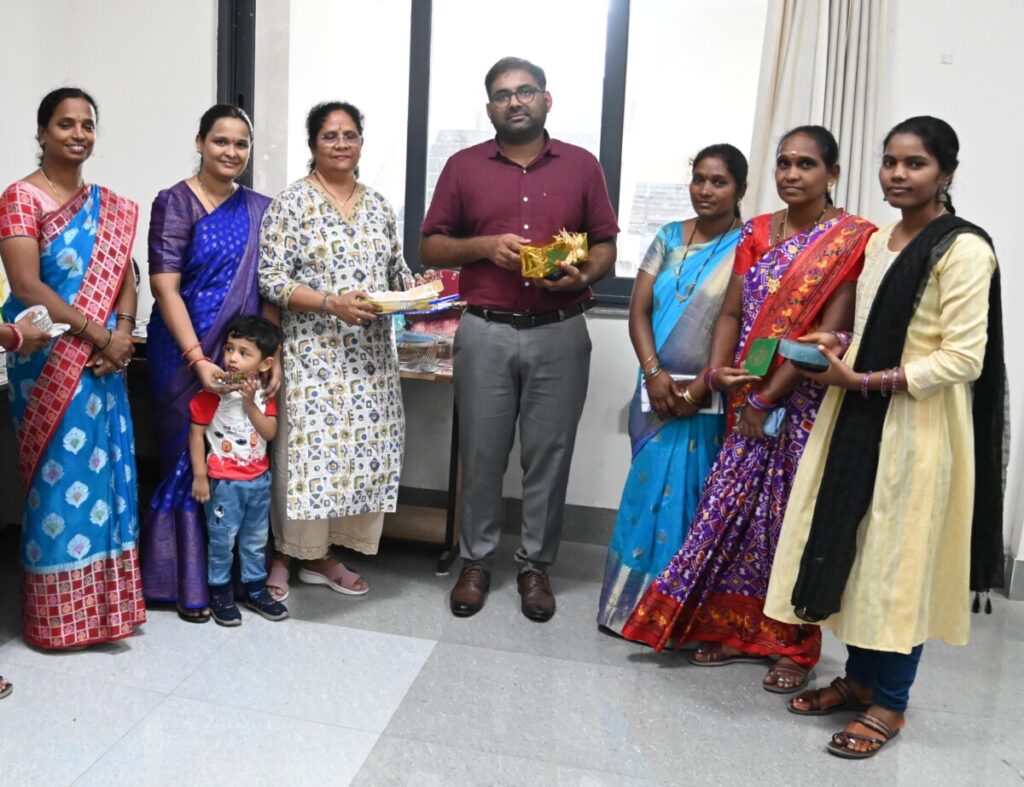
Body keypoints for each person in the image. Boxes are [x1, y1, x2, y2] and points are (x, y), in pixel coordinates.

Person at [764, 117, 1005, 759]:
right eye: (890, 161)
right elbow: (875, 327)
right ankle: (859, 680)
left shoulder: (963, 250)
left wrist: (864, 379)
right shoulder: (882, 240)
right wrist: (836, 341)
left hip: (915, 427)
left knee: (898, 563)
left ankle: (890, 704)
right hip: (859, 415)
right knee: (857, 549)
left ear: (946, 173)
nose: (898, 174)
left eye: (915, 164)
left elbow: (964, 359)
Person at [621, 126, 875, 691]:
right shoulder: (758, 231)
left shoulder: (850, 239)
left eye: (806, 164)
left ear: (831, 174)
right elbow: (732, 313)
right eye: (784, 162)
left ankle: (794, 647)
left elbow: (829, 336)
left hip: (803, 402)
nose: (792, 174)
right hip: (744, 396)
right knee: (731, 515)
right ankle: (731, 630)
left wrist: (766, 397)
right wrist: (718, 377)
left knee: (787, 521)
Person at [421, 56, 620, 622]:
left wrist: (582, 275)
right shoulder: (462, 166)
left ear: (546, 100)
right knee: (482, 454)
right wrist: (484, 247)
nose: (515, 102)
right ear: (489, 108)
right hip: (485, 330)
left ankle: (536, 566)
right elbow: (430, 245)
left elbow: (604, 244)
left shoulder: (582, 166)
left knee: (549, 457)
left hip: (560, 329)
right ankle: (476, 561)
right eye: (503, 95)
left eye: (526, 91)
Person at [0, 87, 145, 649]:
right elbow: (26, 285)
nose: (78, 134)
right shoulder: (20, 199)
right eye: (65, 124)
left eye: (87, 124)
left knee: (110, 478)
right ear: (42, 133)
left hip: (105, 364)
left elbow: (126, 273)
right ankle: (58, 620)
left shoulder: (107, 205)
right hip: (49, 360)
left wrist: (122, 334)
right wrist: (98, 334)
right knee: (57, 485)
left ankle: (107, 612)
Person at [259, 101, 412, 598]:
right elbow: (271, 279)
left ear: (361, 143)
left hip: (371, 360)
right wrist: (330, 303)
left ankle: (322, 557)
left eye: (350, 135)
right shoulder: (291, 203)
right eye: (330, 135)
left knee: (357, 457)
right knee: (305, 460)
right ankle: (285, 554)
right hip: (313, 356)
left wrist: (418, 288)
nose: (341, 143)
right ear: (313, 145)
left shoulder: (380, 207)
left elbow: (395, 274)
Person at [597, 144, 747, 635]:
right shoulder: (667, 236)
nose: (705, 189)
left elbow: (738, 320)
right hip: (655, 390)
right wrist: (653, 372)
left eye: (719, 181)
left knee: (694, 498)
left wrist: (701, 386)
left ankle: (677, 619)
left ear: (740, 189)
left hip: (710, 397)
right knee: (645, 493)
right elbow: (638, 309)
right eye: (699, 179)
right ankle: (626, 610)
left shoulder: (748, 246)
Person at [142, 105, 277, 622]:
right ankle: (184, 582)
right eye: (221, 141)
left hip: (241, 357)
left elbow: (268, 289)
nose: (231, 152)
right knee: (188, 457)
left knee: (235, 463)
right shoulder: (174, 202)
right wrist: (197, 357)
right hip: (183, 356)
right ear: (200, 142)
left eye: (241, 144)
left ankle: (238, 581)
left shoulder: (261, 209)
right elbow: (165, 287)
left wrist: (273, 355)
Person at [189, 315, 287, 626]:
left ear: (265, 363)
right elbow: (196, 434)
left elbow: (269, 432)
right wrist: (200, 477)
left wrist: (250, 404)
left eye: (244, 353)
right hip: (224, 485)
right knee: (221, 541)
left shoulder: (264, 394)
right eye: (229, 349)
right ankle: (220, 594)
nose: (232, 358)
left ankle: (256, 590)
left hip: (258, 482)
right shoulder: (213, 392)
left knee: (255, 540)